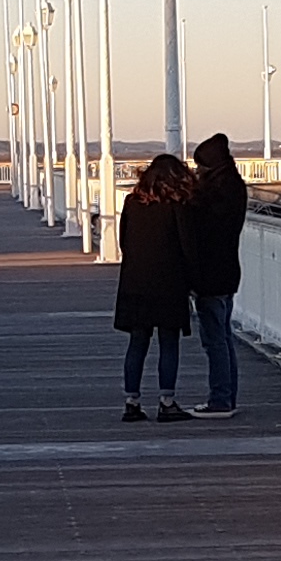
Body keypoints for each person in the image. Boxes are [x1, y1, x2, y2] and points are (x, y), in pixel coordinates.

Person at [115, 149, 197, 419]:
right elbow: (187, 246)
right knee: (168, 342)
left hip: (135, 283)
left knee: (138, 342)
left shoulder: (131, 202)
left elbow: (123, 241)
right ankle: (166, 401)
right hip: (169, 284)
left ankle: (132, 403)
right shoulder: (176, 206)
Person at [183, 131, 249, 417]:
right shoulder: (234, 187)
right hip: (228, 272)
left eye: (200, 167)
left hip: (210, 275)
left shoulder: (213, 195)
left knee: (214, 341)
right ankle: (227, 396)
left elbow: (201, 229)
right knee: (224, 337)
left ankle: (220, 399)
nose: (198, 172)